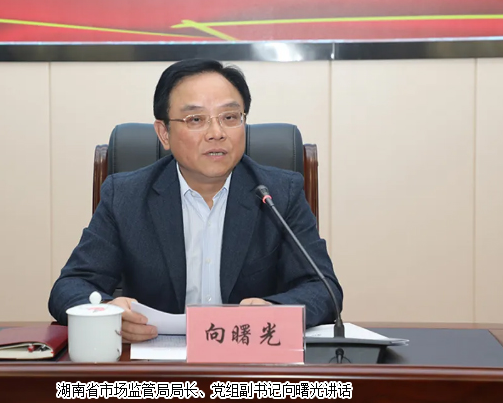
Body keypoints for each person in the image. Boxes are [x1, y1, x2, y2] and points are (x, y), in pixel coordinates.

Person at [48, 58, 343, 342]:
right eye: (196, 119)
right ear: (164, 133)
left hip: (247, 360)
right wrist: (107, 313)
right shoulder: (126, 196)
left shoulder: (278, 194)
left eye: (230, 117)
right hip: (156, 365)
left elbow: (323, 289)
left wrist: (274, 311)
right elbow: (70, 287)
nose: (216, 133)